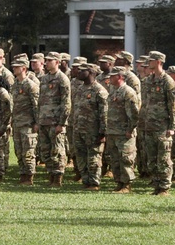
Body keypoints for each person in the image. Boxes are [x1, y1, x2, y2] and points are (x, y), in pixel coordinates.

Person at [141, 51, 175, 196]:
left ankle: (164, 187)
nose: (148, 63)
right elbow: (145, 103)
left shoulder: (167, 82)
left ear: (158, 62)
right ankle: (156, 185)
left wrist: (172, 127)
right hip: (149, 125)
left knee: (163, 158)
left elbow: (174, 106)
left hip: (162, 126)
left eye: (151, 60)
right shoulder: (148, 80)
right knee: (151, 158)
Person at [36, 51, 71, 187]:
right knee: (45, 150)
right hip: (44, 121)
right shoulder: (44, 79)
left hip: (55, 122)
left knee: (57, 150)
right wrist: (39, 120)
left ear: (57, 62)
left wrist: (62, 123)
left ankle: (58, 177)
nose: (47, 62)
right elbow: (40, 101)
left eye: (50, 60)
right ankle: (50, 175)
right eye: (46, 60)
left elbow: (66, 103)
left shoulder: (62, 79)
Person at [72, 63, 109, 190]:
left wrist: (103, 132)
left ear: (91, 72)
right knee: (81, 156)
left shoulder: (99, 90)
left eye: (83, 71)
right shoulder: (80, 89)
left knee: (94, 157)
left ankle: (94, 183)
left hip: (93, 130)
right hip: (78, 129)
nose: (79, 72)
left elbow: (104, 113)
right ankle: (86, 180)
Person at [105, 67, 140, 193]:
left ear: (120, 77)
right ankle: (119, 182)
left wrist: (130, 129)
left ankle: (126, 184)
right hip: (113, 131)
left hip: (124, 132)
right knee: (115, 159)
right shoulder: (113, 91)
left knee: (126, 158)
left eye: (112, 76)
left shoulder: (128, 92)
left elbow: (134, 114)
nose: (110, 78)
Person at [11, 59, 39, 185]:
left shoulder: (31, 85)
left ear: (24, 68)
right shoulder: (15, 84)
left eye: (17, 67)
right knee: (18, 151)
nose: (14, 68)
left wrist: (36, 122)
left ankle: (29, 176)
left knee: (28, 152)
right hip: (17, 123)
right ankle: (22, 174)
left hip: (28, 124)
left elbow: (36, 106)